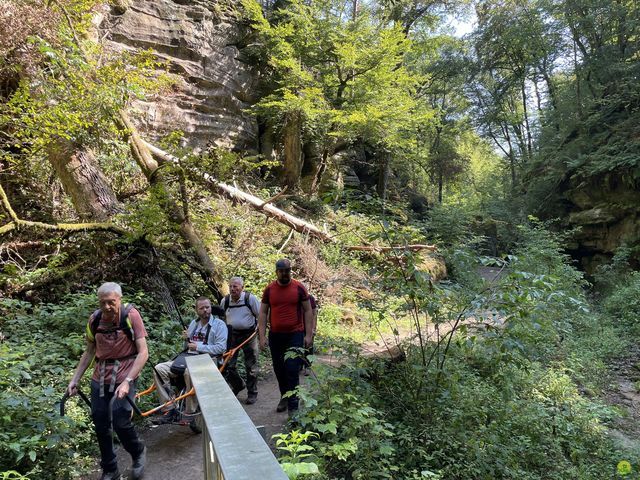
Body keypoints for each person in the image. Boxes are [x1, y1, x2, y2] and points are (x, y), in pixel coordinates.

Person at [66, 282, 149, 480]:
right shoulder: (94, 320)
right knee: (100, 423)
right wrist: (75, 379)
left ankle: (138, 452)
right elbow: (89, 351)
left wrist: (128, 380)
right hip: (100, 377)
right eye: (103, 302)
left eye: (111, 302)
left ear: (119, 299)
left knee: (121, 422)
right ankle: (110, 468)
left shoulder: (131, 316)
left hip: (124, 375)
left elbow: (143, 352)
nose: (107, 307)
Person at [152, 297, 227, 417]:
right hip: (188, 357)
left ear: (211, 308)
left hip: (208, 359)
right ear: (197, 310)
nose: (205, 310)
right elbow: (187, 346)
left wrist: (198, 347)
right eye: (202, 308)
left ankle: (190, 411)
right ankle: (169, 407)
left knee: (189, 372)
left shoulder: (219, 325)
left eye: (207, 307)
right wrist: (186, 339)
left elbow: (221, 348)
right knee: (159, 368)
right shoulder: (194, 323)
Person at [258, 259, 313, 413]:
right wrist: (262, 337)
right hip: (275, 335)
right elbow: (262, 313)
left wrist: (308, 334)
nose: (284, 273)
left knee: (292, 368)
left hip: (295, 334)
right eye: (281, 271)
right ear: (276, 272)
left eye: (287, 270)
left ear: (290, 271)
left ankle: (293, 409)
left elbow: (308, 310)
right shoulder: (269, 290)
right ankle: (285, 396)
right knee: (279, 369)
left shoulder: (299, 288)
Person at [220, 276, 261, 404]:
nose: (232, 289)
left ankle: (252, 393)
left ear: (242, 288)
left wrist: (260, 329)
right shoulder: (225, 301)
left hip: (249, 335)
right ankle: (238, 385)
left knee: (251, 365)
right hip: (231, 335)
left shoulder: (250, 299)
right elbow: (222, 318)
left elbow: (261, 315)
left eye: (235, 286)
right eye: (231, 286)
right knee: (227, 364)